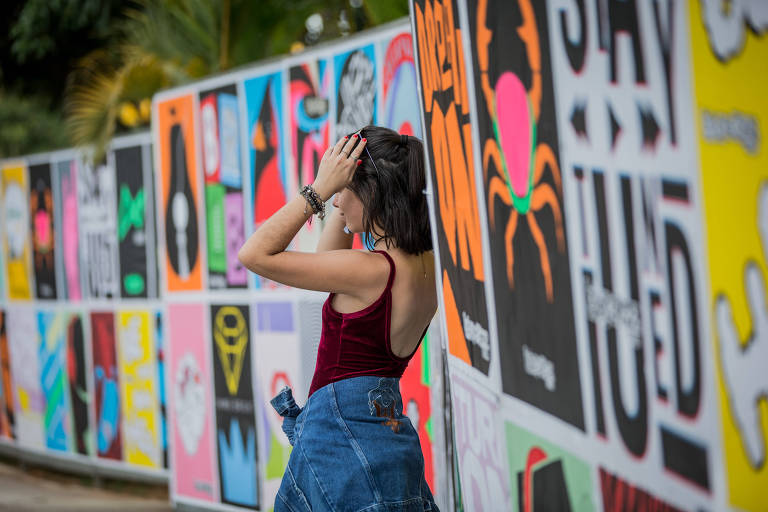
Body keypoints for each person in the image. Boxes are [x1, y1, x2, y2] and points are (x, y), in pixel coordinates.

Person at [238, 125, 438, 511]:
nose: (338, 203)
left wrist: (317, 191)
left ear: (373, 193)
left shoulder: (371, 271)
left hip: (342, 442)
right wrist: (338, 192)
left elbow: (254, 254)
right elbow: (328, 261)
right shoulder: (423, 266)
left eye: (344, 192)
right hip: (384, 434)